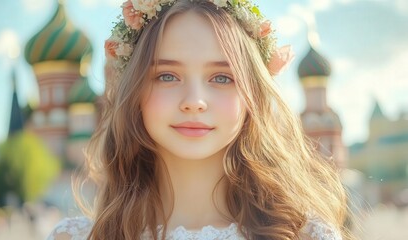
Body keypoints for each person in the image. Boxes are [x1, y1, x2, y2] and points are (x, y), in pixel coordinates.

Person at [47, 0, 352, 239]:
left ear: (252, 94)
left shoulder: (305, 236)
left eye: (221, 77)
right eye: (167, 75)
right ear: (134, 90)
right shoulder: (75, 237)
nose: (194, 101)